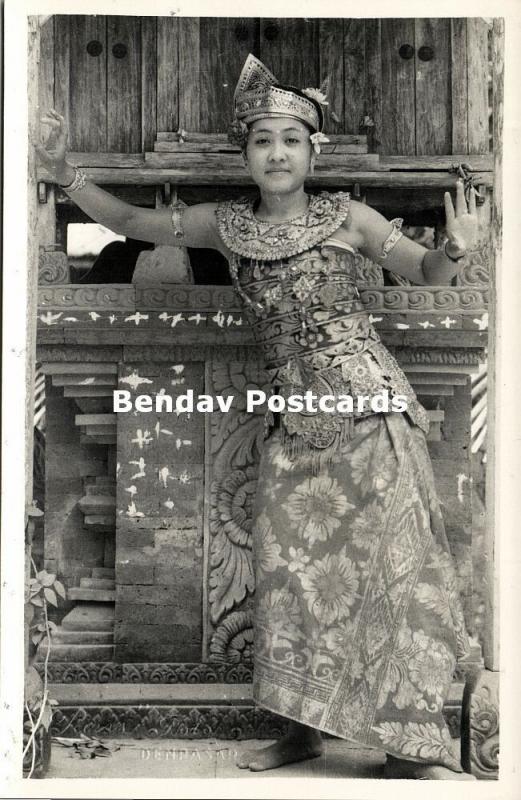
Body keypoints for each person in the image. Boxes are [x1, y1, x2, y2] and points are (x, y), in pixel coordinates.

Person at [37, 54, 479, 780]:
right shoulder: (225, 224)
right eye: (262, 140)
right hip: (292, 422)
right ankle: (299, 731)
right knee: (290, 576)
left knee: (395, 571)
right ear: (245, 154)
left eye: (290, 139)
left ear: (312, 151)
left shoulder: (351, 218)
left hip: (370, 410)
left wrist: (454, 250)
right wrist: (66, 173)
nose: (277, 152)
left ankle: (406, 741)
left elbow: (425, 273)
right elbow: (128, 219)